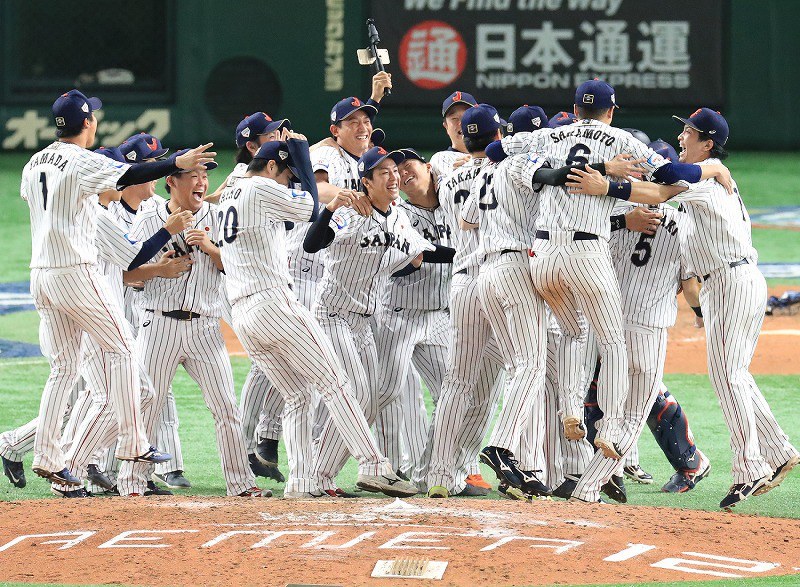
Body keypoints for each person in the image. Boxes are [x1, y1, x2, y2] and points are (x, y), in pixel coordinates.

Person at [566, 107, 800, 509]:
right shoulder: (702, 182)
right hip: (725, 282)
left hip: (730, 280)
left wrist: (607, 187)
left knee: (728, 375)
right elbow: (660, 193)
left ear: (708, 143)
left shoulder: (706, 177)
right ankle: (778, 451)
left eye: (688, 133)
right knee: (733, 374)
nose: (681, 138)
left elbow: (663, 182)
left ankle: (751, 467)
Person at [21, 89, 212, 486]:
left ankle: (47, 455)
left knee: (64, 368)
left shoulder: (32, 163)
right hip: (74, 270)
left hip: (41, 274)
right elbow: (129, 175)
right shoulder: (80, 160)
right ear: (88, 122)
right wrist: (174, 163)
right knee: (123, 348)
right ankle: (132, 441)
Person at [217, 136, 416, 498]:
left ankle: (303, 482)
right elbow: (310, 204)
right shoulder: (260, 186)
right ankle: (374, 465)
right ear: (273, 166)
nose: (289, 181)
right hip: (274, 302)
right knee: (336, 383)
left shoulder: (231, 190)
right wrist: (304, 153)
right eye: (287, 173)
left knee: (298, 397)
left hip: (244, 311)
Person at [304, 146, 453, 495]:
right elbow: (313, 244)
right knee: (355, 389)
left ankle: (319, 475)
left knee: (370, 398)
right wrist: (330, 208)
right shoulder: (352, 213)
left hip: (364, 322)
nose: (393, 176)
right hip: (333, 314)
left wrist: (472, 258)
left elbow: (427, 253)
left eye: (394, 170)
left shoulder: (399, 215)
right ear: (366, 182)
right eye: (383, 172)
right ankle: (373, 465)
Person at [130, 150, 267, 497]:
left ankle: (241, 484)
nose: (202, 181)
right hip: (158, 325)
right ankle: (132, 483)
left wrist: (211, 247)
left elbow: (237, 269)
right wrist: (158, 267)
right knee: (147, 404)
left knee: (226, 408)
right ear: (171, 181)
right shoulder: (149, 219)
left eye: (205, 175)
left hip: (205, 327)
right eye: (194, 175)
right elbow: (127, 272)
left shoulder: (220, 217)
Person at [429, 91, 478, 179]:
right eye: (454, 118)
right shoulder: (440, 159)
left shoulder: (494, 155)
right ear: (446, 126)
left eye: (466, 116)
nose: (460, 123)